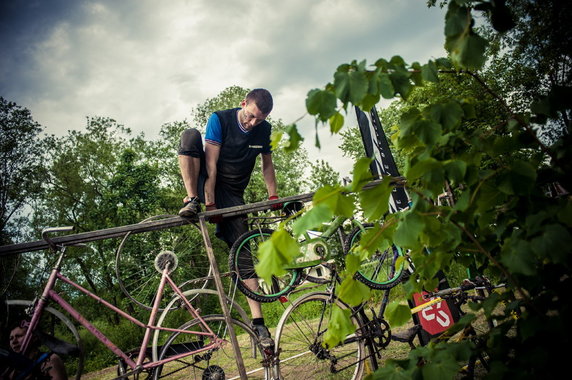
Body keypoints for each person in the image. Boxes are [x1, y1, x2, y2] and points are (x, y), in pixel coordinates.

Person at [177, 88, 278, 348]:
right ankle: (191, 200)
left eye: (260, 119)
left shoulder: (263, 130)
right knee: (189, 137)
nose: (253, 122)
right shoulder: (219, 119)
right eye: (250, 115)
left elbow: (267, 164)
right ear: (243, 103)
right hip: (206, 182)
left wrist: (273, 196)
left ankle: (259, 325)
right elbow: (211, 164)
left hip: (233, 194)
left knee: (243, 254)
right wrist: (208, 201)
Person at [1, 320, 67, 380]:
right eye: (11, 338)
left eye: (19, 336)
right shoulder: (10, 370)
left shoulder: (50, 360)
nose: (13, 341)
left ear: (34, 337)